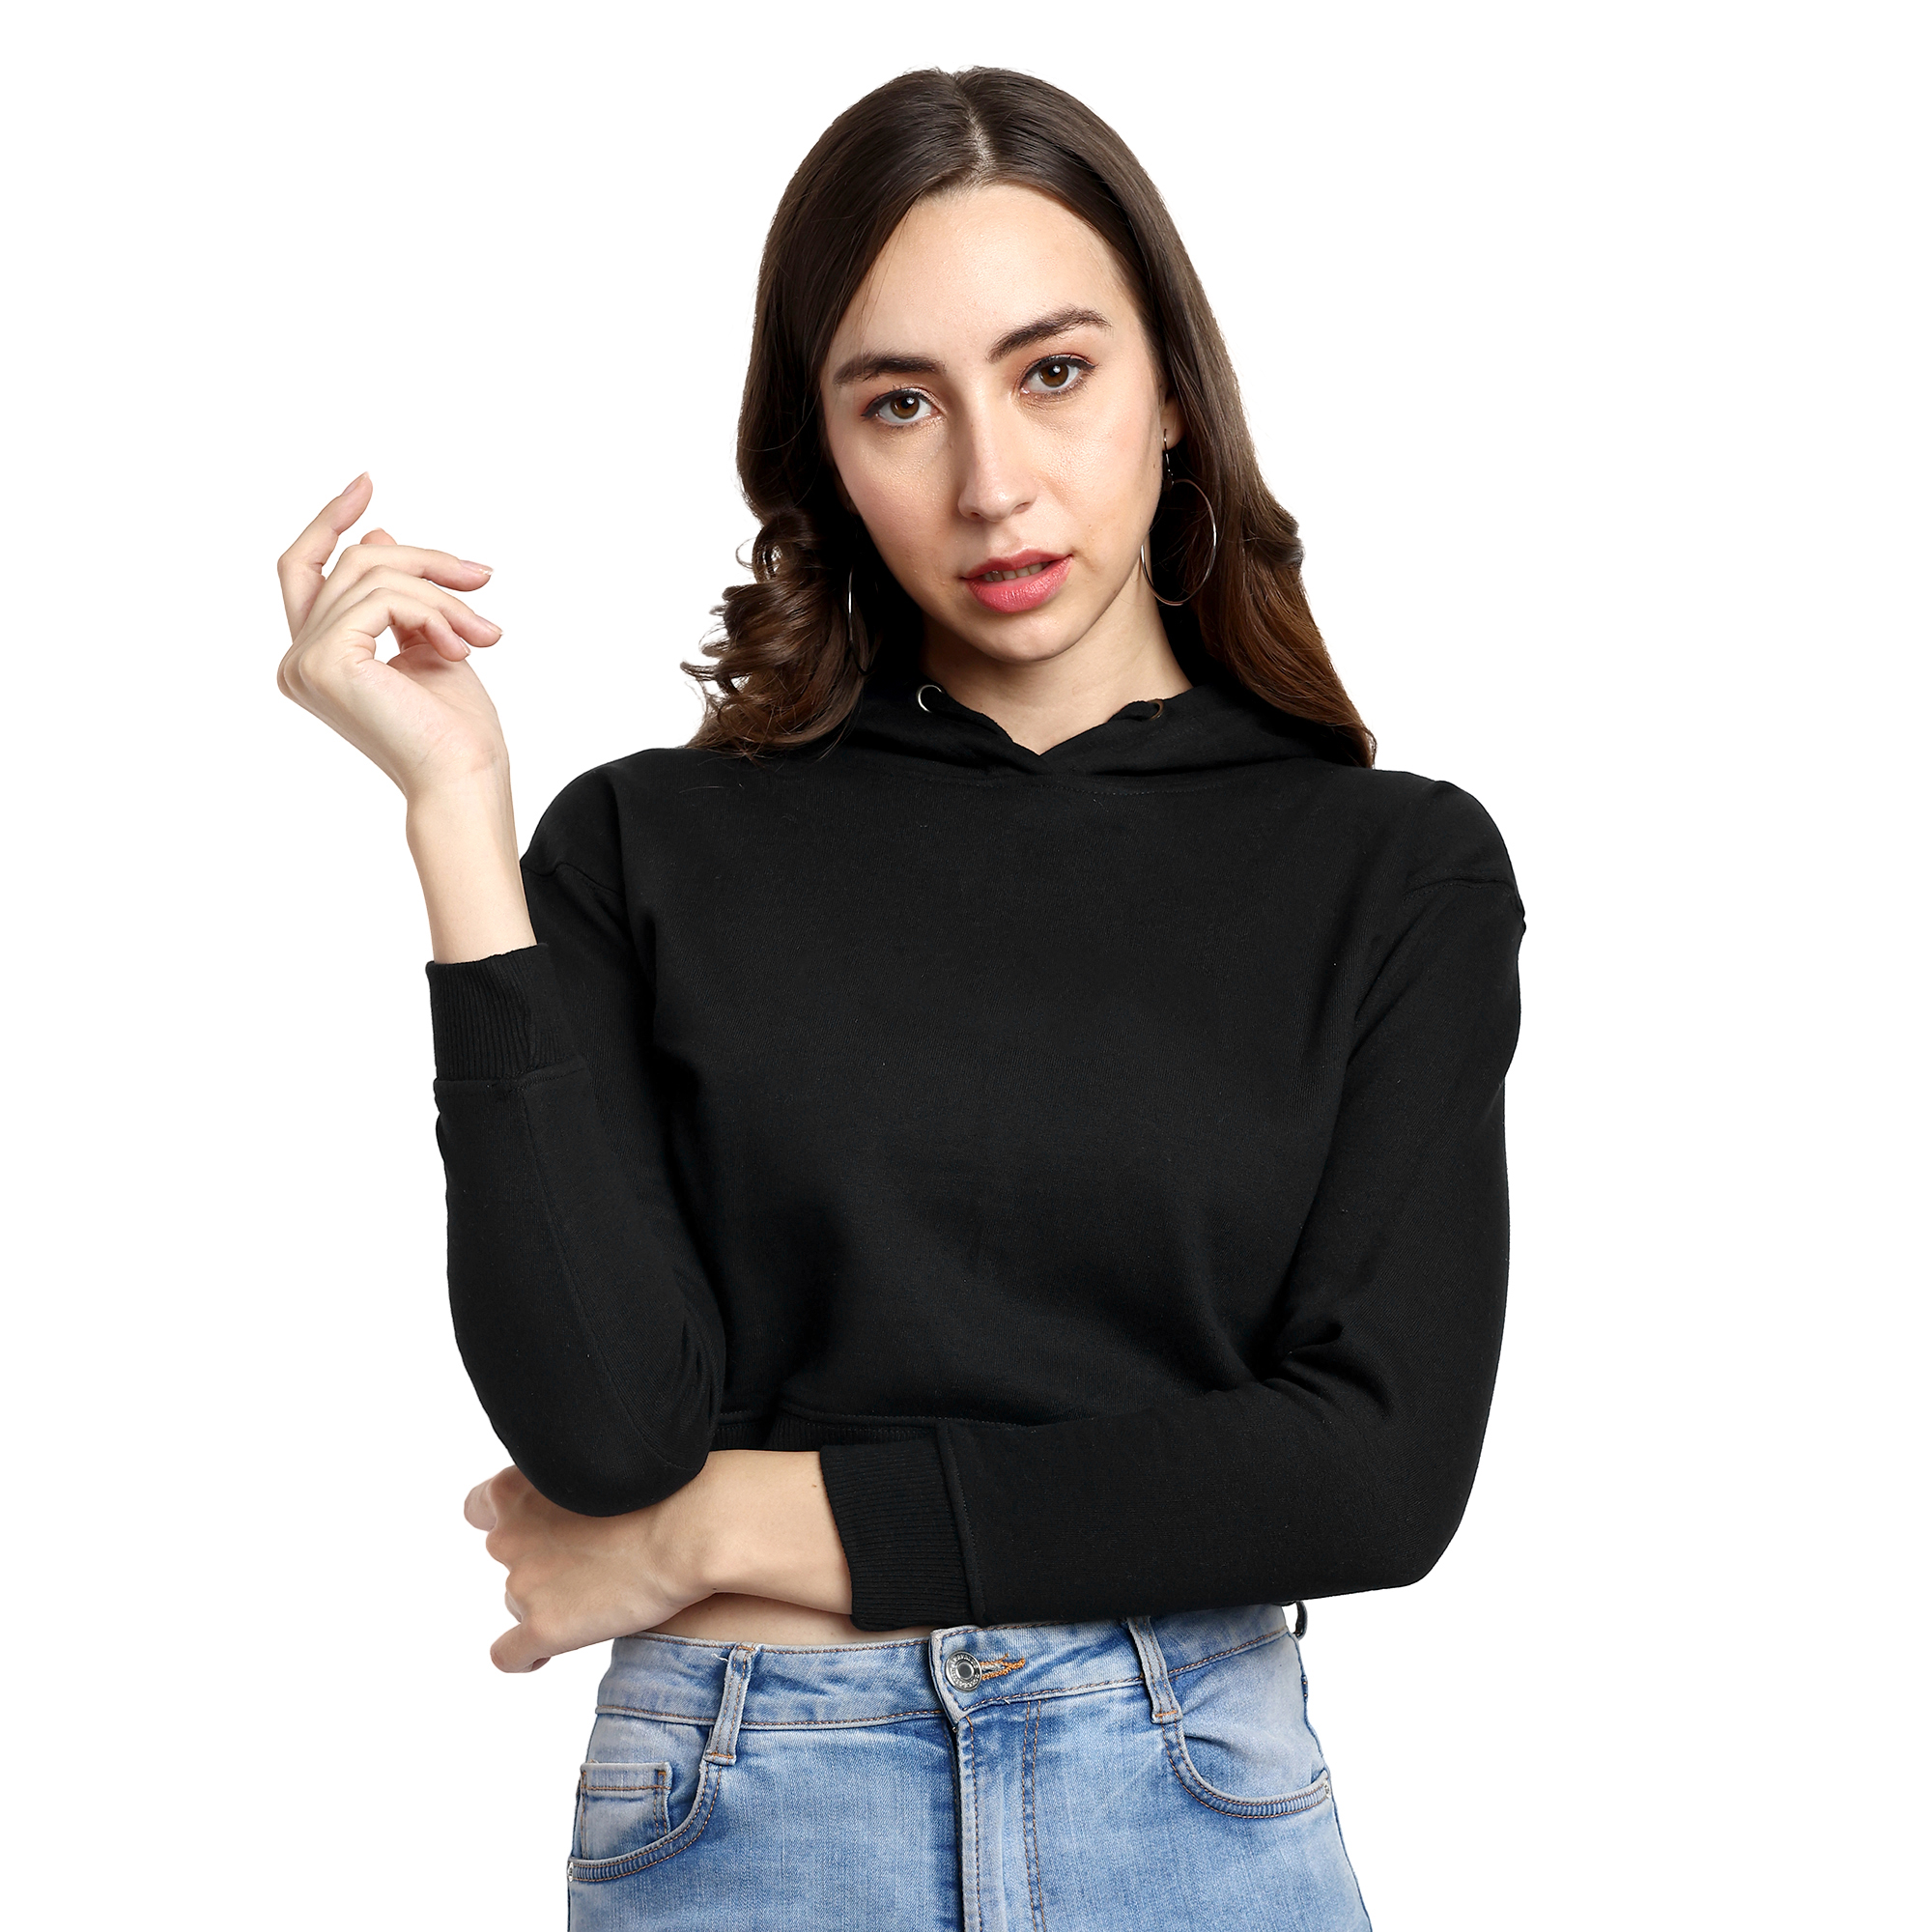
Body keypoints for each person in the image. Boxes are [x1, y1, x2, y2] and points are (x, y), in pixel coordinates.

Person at [276, 65, 1522, 1932]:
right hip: (750, 1808)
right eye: (900, 403)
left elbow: (1374, 1473)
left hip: (1186, 1807)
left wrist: (712, 1531)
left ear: (1174, 388)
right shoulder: (649, 846)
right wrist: (461, 821)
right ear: (825, 454)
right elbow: (603, 1435)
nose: (992, 483)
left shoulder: (1393, 869)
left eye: (1055, 371)